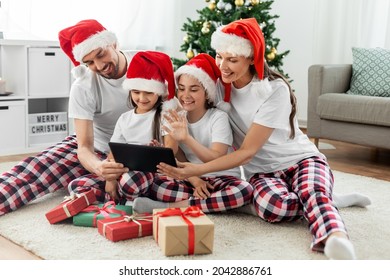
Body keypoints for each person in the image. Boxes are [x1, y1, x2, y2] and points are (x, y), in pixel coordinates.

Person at [155, 18, 367, 259]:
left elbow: (246, 152)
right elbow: (184, 84)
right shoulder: (219, 85)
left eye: (232, 60)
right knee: (272, 207)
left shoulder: (274, 89)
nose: (223, 66)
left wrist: (196, 169)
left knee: (312, 193)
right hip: (263, 172)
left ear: (251, 57)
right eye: (220, 56)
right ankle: (324, 198)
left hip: (301, 160)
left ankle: (334, 238)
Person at [0, 19, 135, 215]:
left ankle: (90, 187)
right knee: (35, 170)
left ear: (113, 43)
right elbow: (84, 147)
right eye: (89, 62)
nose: (99, 65)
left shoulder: (145, 64)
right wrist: (99, 167)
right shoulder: (83, 86)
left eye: (101, 54)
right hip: (96, 146)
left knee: (133, 184)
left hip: (137, 151)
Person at [133, 53, 253, 214]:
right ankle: (211, 202)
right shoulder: (175, 115)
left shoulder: (218, 117)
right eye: (181, 89)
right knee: (156, 184)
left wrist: (187, 138)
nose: (185, 96)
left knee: (243, 190)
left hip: (222, 177)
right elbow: (178, 157)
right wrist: (161, 152)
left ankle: (169, 207)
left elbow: (216, 157)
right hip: (190, 178)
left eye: (194, 89)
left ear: (207, 92)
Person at [68, 50, 176, 203]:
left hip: (154, 175)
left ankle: (128, 200)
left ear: (158, 92)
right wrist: (110, 180)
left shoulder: (166, 114)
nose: (142, 98)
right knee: (76, 185)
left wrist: (159, 149)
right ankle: (128, 198)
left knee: (130, 183)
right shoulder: (125, 118)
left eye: (149, 93)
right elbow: (113, 152)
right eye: (136, 92)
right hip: (125, 172)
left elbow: (173, 151)